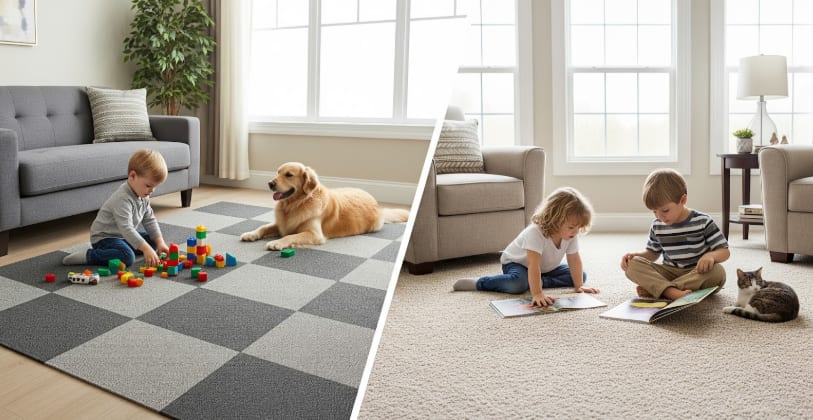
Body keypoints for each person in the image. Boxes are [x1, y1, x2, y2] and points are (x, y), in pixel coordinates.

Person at [453, 187, 599, 307]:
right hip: (518, 264)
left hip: (544, 269)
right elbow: (533, 264)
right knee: (517, 285)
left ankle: (536, 281)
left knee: (581, 275)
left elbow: (574, 259)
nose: (576, 231)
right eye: (572, 227)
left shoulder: (570, 235)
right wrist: (537, 293)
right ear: (555, 219)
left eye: (579, 227)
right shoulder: (536, 232)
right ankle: (481, 282)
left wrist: (579, 286)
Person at [620, 168, 730, 300]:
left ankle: (663, 289)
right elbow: (652, 254)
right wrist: (634, 256)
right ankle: (671, 290)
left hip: (696, 273)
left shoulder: (702, 221)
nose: (660, 216)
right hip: (669, 271)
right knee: (633, 265)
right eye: (654, 211)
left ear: (683, 200)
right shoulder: (657, 226)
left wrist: (711, 256)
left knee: (718, 273)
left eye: (665, 210)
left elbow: (724, 251)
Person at [62, 149, 170, 267]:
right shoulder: (122, 198)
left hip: (122, 236)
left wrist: (160, 242)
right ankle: (89, 255)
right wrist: (145, 249)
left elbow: (149, 219)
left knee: (153, 241)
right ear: (132, 176)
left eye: (155, 187)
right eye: (148, 185)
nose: (151, 191)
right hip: (105, 237)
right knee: (127, 257)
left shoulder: (143, 195)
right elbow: (126, 228)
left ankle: (121, 249)